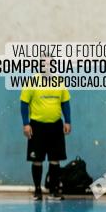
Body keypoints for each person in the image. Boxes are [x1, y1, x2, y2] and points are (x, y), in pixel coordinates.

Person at [20, 70, 71, 200]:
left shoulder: (59, 81)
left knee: (55, 159)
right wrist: (26, 123)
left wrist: (68, 121)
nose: (47, 66)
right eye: (44, 63)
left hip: (56, 126)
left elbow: (65, 103)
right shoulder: (32, 81)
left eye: (50, 63)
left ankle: (53, 191)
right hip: (37, 126)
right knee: (37, 159)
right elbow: (24, 103)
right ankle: (37, 190)